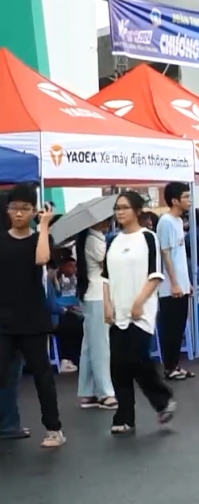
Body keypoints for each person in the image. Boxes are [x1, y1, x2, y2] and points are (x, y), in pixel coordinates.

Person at [102, 191, 177, 434]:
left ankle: (162, 398)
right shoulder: (112, 240)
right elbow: (106, 278)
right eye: (117, 208)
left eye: (124, 207)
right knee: (118, 365)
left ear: (136, 210)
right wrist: (107, 304)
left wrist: (139, 302)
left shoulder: (148, 238)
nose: (120, 212)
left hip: (140, 311)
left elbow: (155, 275)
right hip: (117, 311)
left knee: (137, 358)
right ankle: (124, 417)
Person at [0, 184, 64, 447]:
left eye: (24, 209)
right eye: (14, 208)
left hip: (33, 318)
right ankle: (6, 424)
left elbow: (41, 260)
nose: (18, 214)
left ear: (33, 211)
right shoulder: (1, 238)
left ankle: (53, 429)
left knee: (42, 377)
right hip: (3, 318)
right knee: (2, 375)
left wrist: (45, 225)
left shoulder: (40, 238)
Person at [74, 220, 117, 409]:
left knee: (90, 345)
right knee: (100, 346)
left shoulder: (86, 239)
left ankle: (88, 391)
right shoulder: (95, 240)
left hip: (90, 295)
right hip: (99, 295)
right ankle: (105, 392)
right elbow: (108, 265)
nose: (109, 221)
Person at [156, 182, 194, 381]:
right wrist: (175, 283)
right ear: (174, 200)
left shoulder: (179, 222)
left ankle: (175, 365)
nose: (189, 200)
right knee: (170, 328)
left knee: (179, 327)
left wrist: (186, 283)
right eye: (186, 197)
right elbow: (165, 253)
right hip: (170, 287)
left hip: (181, 284)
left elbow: (179, 256)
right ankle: (169, 367)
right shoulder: (166, 221)